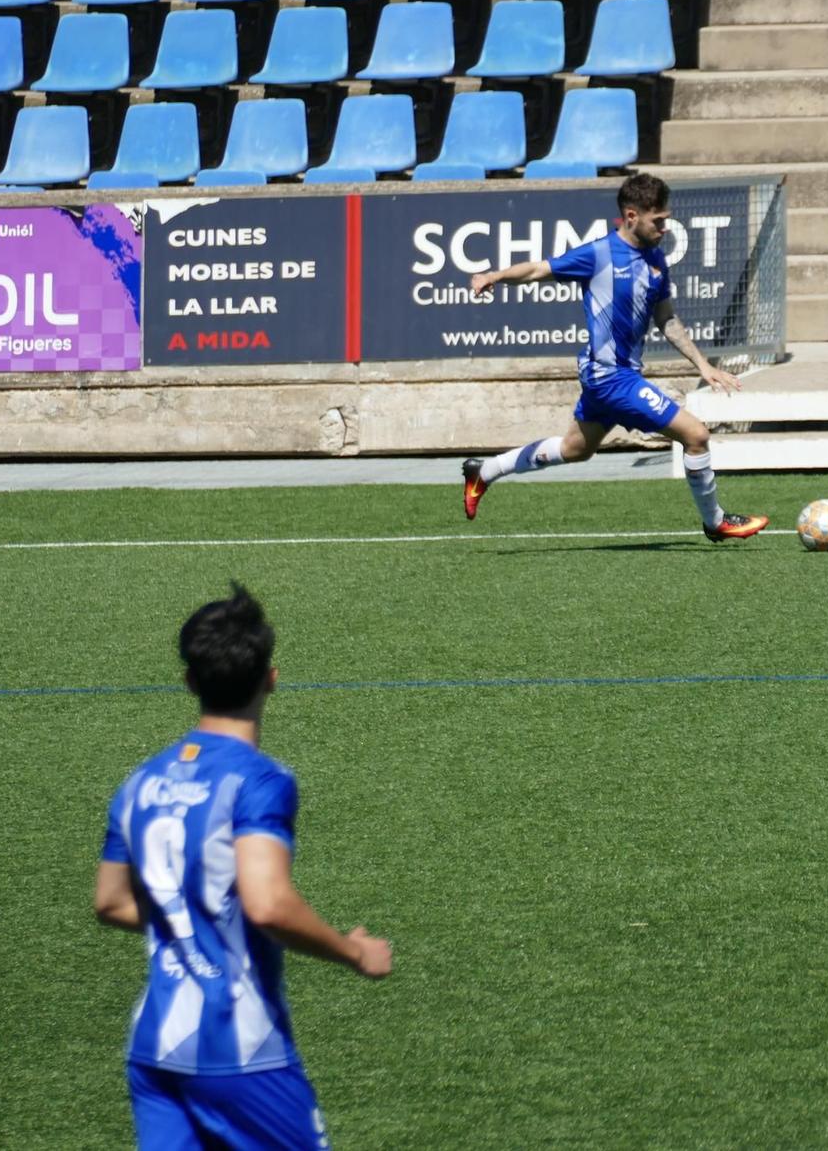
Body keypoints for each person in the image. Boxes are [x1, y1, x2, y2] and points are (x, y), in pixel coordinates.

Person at [94, 585, 392, 1150]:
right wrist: (354, 951)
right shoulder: (258, 780)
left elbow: (109, 901)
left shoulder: (141, 781)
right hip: (238, 1048)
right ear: (271, 679)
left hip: (154, 1049)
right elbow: (267, 903)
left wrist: (189, 918)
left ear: (189, 683)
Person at [462, 172, 768, 543]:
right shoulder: (599, 253)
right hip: (612, 378)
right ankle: (716, 522)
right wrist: (493, 275)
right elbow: (539, 269)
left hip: (607, 376)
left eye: (666, 219)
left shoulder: (656, 258)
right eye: (658, 220)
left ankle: (486, 470)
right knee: (696, 435)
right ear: (631, 215)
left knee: (575, 449)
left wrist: (703, 365)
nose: (665, 227)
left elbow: (666, 317)